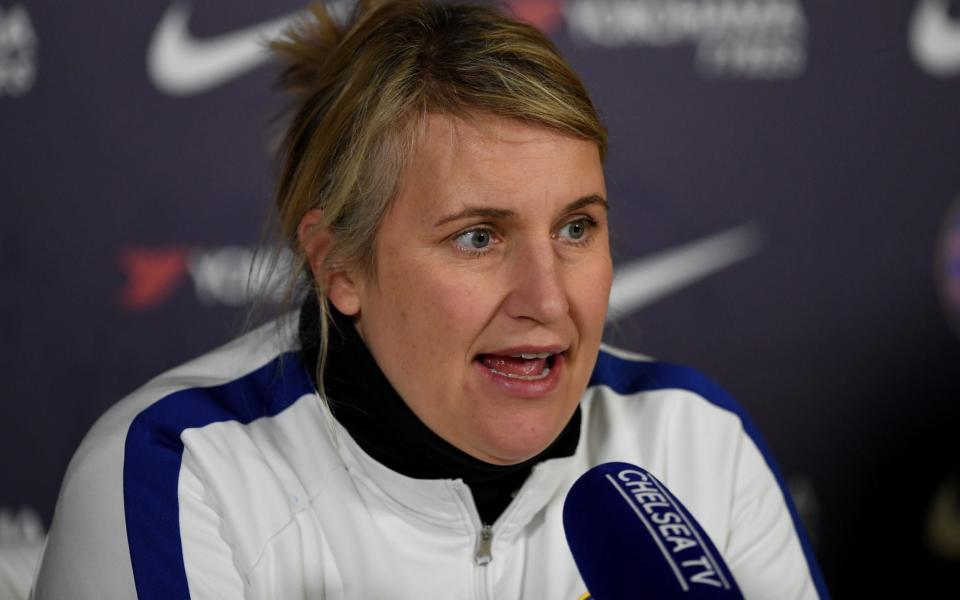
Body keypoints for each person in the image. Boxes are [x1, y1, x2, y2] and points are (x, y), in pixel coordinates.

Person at [32, 0, 828, 598]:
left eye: (577, 227)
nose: (547, 299)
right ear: (339, 264)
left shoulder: (697, 443)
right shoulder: (183, 473)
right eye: (479, 237)